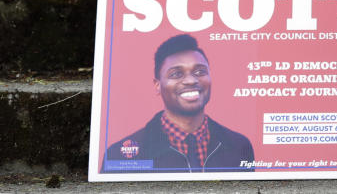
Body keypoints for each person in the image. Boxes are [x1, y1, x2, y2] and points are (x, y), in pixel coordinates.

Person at [102, 34, 254, 173]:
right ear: (157, 86)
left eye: (200, 72)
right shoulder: (120, 156)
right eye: (176, 74)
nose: (191, 80)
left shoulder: (239, 146)